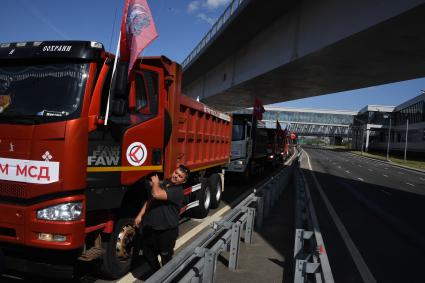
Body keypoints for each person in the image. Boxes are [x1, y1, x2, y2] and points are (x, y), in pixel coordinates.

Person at [134, 164, 190, 273]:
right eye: (176, 173)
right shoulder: (166, 183)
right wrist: (140, 215)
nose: (176, 176)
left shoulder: (178, 191)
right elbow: (150, 200)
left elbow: (156, 194)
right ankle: (156, 274)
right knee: (148, 253)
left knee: (166, 258)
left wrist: (155, 183)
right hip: (151, 228)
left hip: (167, 231)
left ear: (183, 181)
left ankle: (167, 278)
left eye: (180, 176)